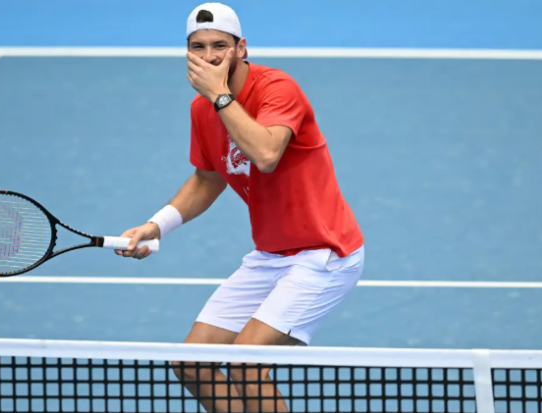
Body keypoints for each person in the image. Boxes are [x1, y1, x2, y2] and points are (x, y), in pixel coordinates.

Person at [115, 3, 365, 411]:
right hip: (270, 256)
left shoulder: (277, 89)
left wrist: (219, 95)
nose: (210, 56)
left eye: (220, 46)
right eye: (198, 47)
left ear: (241, 49)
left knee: (246, 365)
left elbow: (266, 153)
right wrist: (156, 225)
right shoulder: (202, 110)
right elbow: (207, 179)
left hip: (324, 255)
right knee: (191, 365)